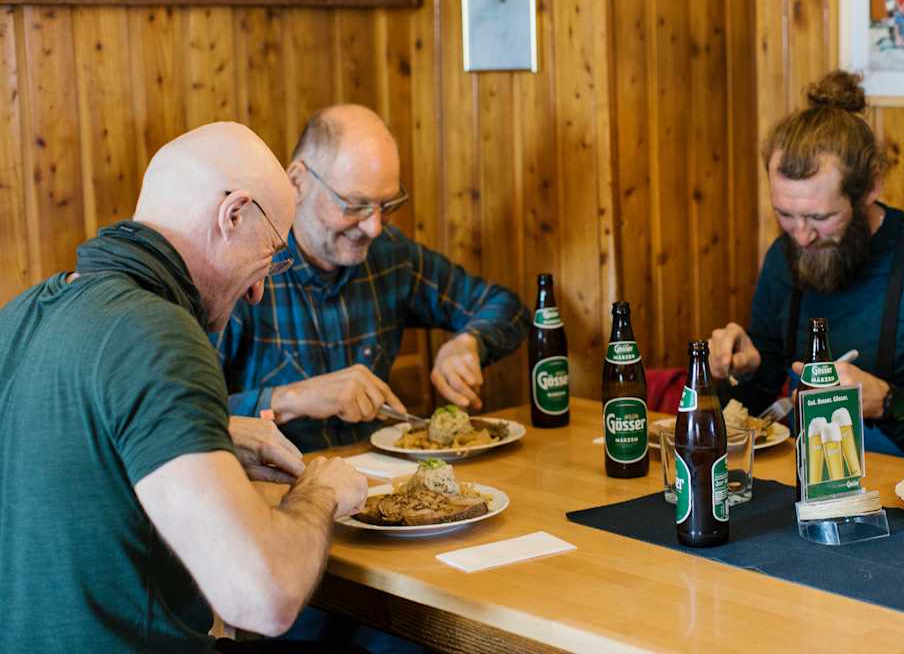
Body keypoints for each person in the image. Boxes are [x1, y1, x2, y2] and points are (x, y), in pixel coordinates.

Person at [0, 123, 369, 652]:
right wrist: (321, 492)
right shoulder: (158, 332)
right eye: (272, 252)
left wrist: (206, 435)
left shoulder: (20, 316)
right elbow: (263, 597)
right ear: (233, 214)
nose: (262, 290)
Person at [214, 104, 531, 452]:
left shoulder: (390, 256)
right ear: (297, 182)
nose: (374, 226)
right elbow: (182, 418)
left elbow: (507, 307)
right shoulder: (241, 270)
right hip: (270, 492)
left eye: (386, 205)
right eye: (354, 205)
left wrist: (469, 343)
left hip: (378, 488)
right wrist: (291, 398)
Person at [708, 71, 904, 458]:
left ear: (871, 187)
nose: (802, 236)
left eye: (821, 218)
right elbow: (759, 412)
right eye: (785, 215)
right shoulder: (784, 255)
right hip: (800, 478)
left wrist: (887, 403)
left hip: (903, 491)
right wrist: (741, 369)